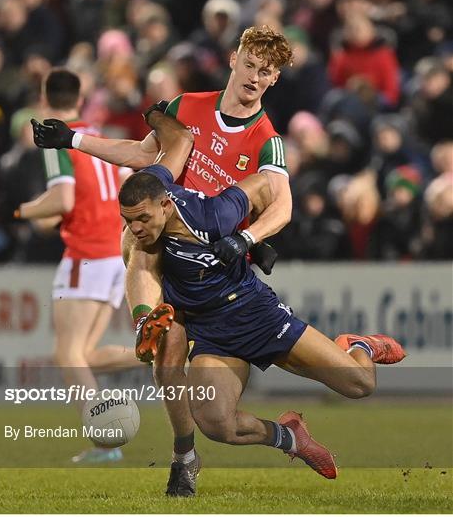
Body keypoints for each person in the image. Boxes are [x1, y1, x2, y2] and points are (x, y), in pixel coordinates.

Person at [32, 26, 294, 496]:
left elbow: (283, 204)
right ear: (233, 59)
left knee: (225, 413)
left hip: (218, 271)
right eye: (250, 65)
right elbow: (140, 155)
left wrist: (253, 236)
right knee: (164, 346)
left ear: (274, 80)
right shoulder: (183, 107)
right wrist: (74, 139)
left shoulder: (268, 140)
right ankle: (183, 455)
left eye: (266, 71)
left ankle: (293, 415)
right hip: (165, 252)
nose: (255, 77)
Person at [119, 108, 406, 482]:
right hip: (211, 333)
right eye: (128, 220)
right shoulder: (148, 206)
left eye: (142, 219)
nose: (135, 228)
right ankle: (291, 438)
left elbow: (261, 185)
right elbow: (178, 140)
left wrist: (250, 238)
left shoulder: (213, 215)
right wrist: (156, 114)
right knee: (217, 424)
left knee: (360, 385)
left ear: (166, 204)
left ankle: (359, 346)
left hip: (254, 313)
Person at [18, 69, 141, 463]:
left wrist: (23, 210)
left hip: (86, 251)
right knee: (84, 354)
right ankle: (160, 352)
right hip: (115, 250)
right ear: (81, 95)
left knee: (68, 354)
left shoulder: (57, 138)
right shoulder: (98, 136)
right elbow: (126, 186)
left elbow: (64, 200)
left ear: (44, 95)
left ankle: (107, 444)